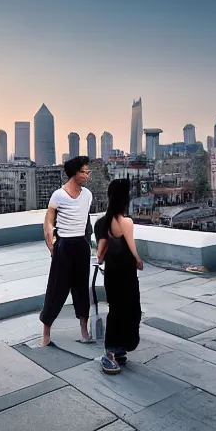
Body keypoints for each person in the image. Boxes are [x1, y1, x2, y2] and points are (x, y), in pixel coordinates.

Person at [40, 156, 93, 346]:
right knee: (56, 288)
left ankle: (84, 331)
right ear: (75, 173)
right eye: (85, 172)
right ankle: (46, 335)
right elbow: (48, 221)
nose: (88, 175)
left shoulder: (88, 195)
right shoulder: (58, 195)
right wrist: (51, 244)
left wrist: (88, 243)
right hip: (64, 245)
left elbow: (86, 221)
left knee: (81, 289)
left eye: (88, 172)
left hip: (81, 245)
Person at [95, 178, 143, 374]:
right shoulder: (127, 222)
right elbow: (131, 246)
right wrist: (138, 260)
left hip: (112, 275)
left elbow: (100, 253)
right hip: (126, 274)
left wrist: (100, 258)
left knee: (116, 311)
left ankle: (116, 349)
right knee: (131, 310)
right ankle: (111, 352)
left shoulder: (102, 223)